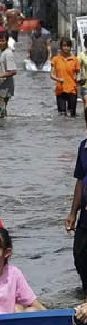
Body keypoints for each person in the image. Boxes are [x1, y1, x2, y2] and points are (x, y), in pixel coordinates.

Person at [66, 116, 87, 294]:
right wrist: (73, 212)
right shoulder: (84, 147)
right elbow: (80, 181)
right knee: (79, 257)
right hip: (85, 215)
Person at [51, 37, 80, 117]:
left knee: (72, 115)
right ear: (61, 47)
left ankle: (71, 129)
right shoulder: (56, 59)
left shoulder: (75, 60)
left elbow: (78, 74)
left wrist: (78, 79)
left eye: (68, 46)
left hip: (72, 90)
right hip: (60, 90)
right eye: (64, 46)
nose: (66, 48)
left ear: (70, 47)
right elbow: (51, 75)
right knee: (62, 115)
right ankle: (62, 129)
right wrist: (58, 79)